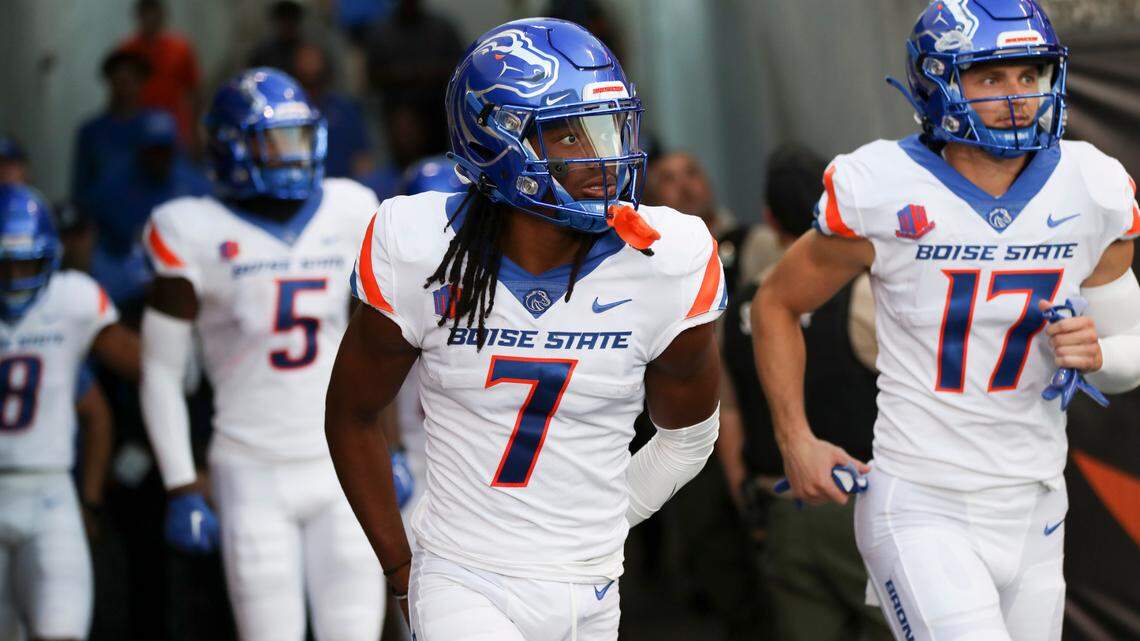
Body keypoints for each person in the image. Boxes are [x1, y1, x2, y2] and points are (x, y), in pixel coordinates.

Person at [326, 18, 726, 641]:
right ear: (499, 139)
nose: (604, 154)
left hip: (593, 588)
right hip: (465, 577)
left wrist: (590, 530)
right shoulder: (421, 245)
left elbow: (690, 437)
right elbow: (350, 415)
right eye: (571, 135)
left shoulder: (668, 257)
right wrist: (404, 569)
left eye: (609, 125)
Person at [751, 2, 1140, 640]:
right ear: (937, 83)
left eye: (1029, 74)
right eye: (990, 77)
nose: (1016, 96)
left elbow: (1130, 356)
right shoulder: (882, 185)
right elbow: (776, 303)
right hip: (924, 500)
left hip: (1039, 500)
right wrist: (795, 438)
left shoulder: (1091, 185)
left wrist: (1102, 355)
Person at [139, 68, 389, 641]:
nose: (289, 155)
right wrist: (180, 484)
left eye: (297, 138)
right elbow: (160, 371)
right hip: (250, 466)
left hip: (340, 460)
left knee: (356, 630)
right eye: (271, 141)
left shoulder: (351, 208)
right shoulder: (187, 228)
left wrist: (387, 447)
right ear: (229, 147)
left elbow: (381, 350)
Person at [722, 145, 890, 641]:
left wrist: (746, 499)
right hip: (861, 504)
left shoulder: (740, 304)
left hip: (779, 500)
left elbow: (727, 410)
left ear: (770, 219)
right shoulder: (865, 296)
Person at [0, 184, 139, 641]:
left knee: (61, 630)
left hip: (50, 491)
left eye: (27, 262)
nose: (17, 275)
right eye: (6, 263)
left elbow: (145, 367)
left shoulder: (70, 299)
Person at [72, 50, 155, 213]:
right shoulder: (92, 132)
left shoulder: (155, 128)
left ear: (141, 83)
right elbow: (81, 186)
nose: (125, 89)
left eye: (131, 81)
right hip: (104, 222)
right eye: (119, 81)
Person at [116, 0, 201, 150]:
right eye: (146, 13)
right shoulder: (127, 51)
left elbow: (194, 92)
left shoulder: (179, 49)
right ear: (138, 15)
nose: (150, 18)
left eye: (153, 12)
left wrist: (194, 133)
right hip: (138, 131)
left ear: (162, 15)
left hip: (176, 130)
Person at [293, 43, 374, 179]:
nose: (310, 65)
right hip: (303, 187)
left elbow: (362, 159)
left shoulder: (344, 109)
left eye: (314, 60)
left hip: (343, 187)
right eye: (305, 61)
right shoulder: (289, 113)